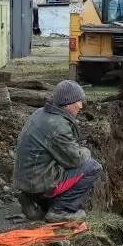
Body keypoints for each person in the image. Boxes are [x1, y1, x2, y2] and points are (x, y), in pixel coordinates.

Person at [13, 80, 102, 223]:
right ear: (67, 104)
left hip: (26, 180)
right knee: (92, 167)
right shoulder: (58, 126)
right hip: (38, 183)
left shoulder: (39, 113)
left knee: (60, 163)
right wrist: (86, 151)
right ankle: (61, 210)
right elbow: (75, 160)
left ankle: (35, 202)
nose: (81, 106)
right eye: (78, 102)